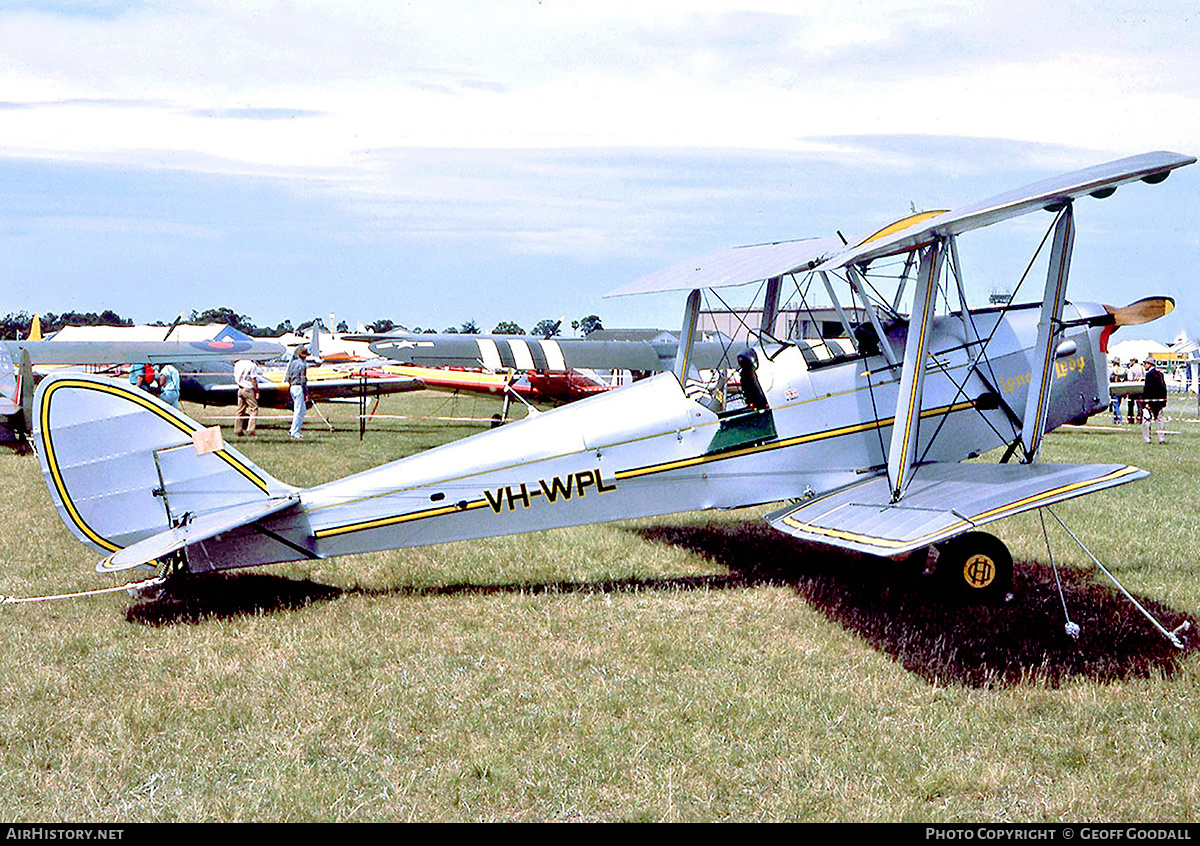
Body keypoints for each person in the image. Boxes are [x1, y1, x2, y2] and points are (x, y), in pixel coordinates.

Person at [1142, 358, 1168, 444]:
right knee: (1160, 420)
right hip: (1159, 402)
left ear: (1149, 364)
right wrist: (1163, 401)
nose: (1144, 365)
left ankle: (1147, 439)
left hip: (1150, 402)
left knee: (1146, 420)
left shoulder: (1149, 375)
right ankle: (1161, 438)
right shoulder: (1160, 374)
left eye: (1145, 363)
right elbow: (1163, 388)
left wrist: (1146, 402)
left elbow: (1147, 390)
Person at [285, 345, 309, 440]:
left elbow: (287, 377)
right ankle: (294, 431)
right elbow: (303, 380)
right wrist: (306, 393)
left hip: (292, 387)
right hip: (298, 387)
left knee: (301, 410)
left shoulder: (292, 363)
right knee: (299, 410)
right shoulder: (302, 365)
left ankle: (295, 430)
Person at [233, 358, 261, 437]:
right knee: (253, 409)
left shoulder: (237, 364)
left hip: (240, 388)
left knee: (240, 410)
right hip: (248, 389)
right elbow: (253, 379)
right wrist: (256, 390)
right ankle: (251, 430)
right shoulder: (252, 365)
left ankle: (237, 429)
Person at [1125, 357, 1145, 423]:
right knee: (1140, 404)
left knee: (1130, 404)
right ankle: (1140, 418)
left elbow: (1130, 379)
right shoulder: (1141, 367)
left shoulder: (1131, 369)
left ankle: (1130, 418)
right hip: (1140, 387)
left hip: (1132, 387)